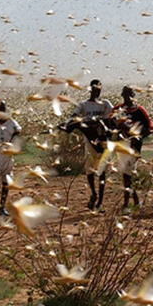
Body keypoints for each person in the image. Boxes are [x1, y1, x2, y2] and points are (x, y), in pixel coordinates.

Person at [63, 79, 113, 210]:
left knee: (102, 170)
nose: (97, 92)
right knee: (89, 170)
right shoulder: (83, 105)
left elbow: (110, 119)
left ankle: (100, 201)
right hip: (89, 141)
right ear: (90, 90)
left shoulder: (105, 104)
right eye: (94, 89)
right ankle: (94, 193)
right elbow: (74, 116)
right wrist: (67, 124)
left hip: (102, 141)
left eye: (99, 90)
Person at [111, 85, 153, 210]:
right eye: (126, 94)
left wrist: (138, 137)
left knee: (128, 172)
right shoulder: (117, 109)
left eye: (130, 94)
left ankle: (127, 202)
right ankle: (134, 200)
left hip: (134, 147)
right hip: (122, 145)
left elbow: (149, 128)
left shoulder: (139, 111)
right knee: (127, 173)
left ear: (134, 95)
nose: (128, 97)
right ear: (122, 95)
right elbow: (110, 125)